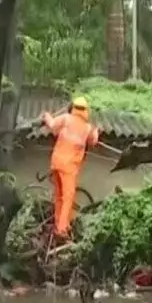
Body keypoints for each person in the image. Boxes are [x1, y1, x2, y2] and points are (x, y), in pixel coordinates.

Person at [41, 96, 101, 238]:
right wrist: (97, 131)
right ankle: (62, 229)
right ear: (86, 111)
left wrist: (46, 116)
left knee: (59, 195)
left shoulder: (66, 118)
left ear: (73, 107)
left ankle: (59, 223)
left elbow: (53, 126)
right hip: (69, 167)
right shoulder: (87, 128)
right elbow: (94, 141)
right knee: (68, 196)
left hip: (56, 162)